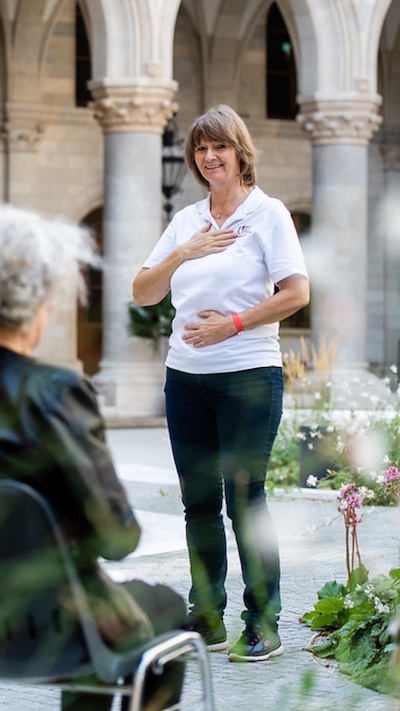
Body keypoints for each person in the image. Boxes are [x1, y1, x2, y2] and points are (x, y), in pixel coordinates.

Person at [133, 104, 310, 663]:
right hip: (186, 380)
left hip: (249, 377)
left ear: (240, 153)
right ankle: (206, 617)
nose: (210, 158)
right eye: (201, 150)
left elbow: (296, 292)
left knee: (245, 500)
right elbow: (142, 291)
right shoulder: (186, 221)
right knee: (199, 502)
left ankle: (263, 621)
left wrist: (231, 324)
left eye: (220, 148)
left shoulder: (268, 215)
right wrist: (182, 253)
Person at [0, 205, 186, 710]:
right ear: (37, 302)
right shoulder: (56, 392)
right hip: (43, 628)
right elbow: (118, 537)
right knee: (165, 606)